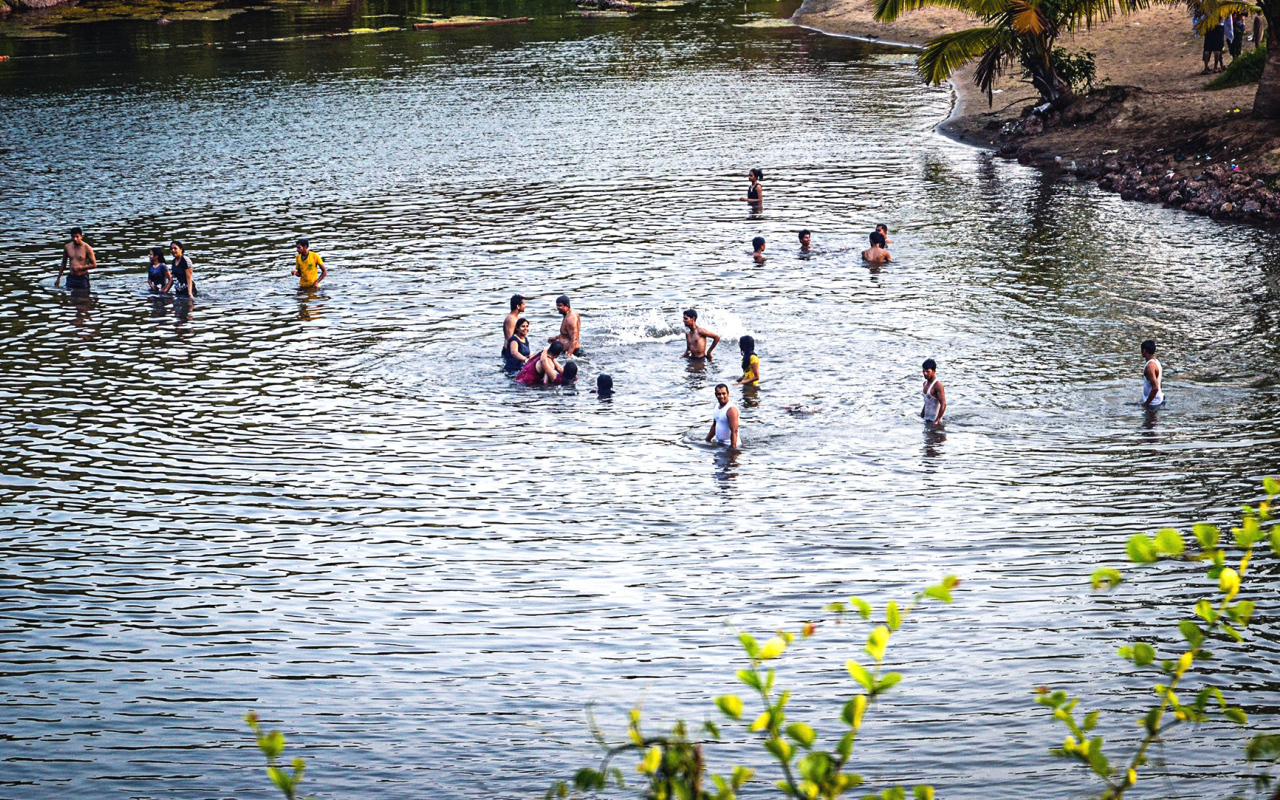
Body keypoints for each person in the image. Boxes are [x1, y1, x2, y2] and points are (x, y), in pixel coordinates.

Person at [56, 227, 96, 293]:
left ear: (81, 236)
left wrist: (81, 268)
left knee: (84, 299)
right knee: (72, 300)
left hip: (82, 278)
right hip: (71, 278)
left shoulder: (87, 248)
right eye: (73, 237)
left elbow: (94, 265)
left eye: (77, 237)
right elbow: (64, 263)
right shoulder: (67, 247)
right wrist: (58, 278)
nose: (75, 239)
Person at [706, 383, 740, 448]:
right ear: (716, 395)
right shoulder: (717, 406)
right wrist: (707, 440)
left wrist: (733, 450)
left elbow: (734, 431)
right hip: (719, 444)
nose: (721, 396)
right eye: (719, 394)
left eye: (724, 393)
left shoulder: (731, 410)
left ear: (728, 393)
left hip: (729, 445)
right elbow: (714, 425)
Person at [921, 358, 946, 424]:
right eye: (923, 371)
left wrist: (937, 420)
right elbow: (927, 401)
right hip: (926, 419)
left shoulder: (938, 385)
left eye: (928, 371)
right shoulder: (924, 384)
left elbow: (943, 404)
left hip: (934, 421)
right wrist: (922, 415)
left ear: (934, 371)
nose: (925, 373)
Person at [1141, 340, 1164, 408]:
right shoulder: (1156, 361)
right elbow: (1159, 384)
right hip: (1158, 399)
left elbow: (1155, 388)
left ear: (1144, 351)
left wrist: (1145, 405)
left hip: (1153, 403)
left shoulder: (1150, 366)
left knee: (1150, 419)